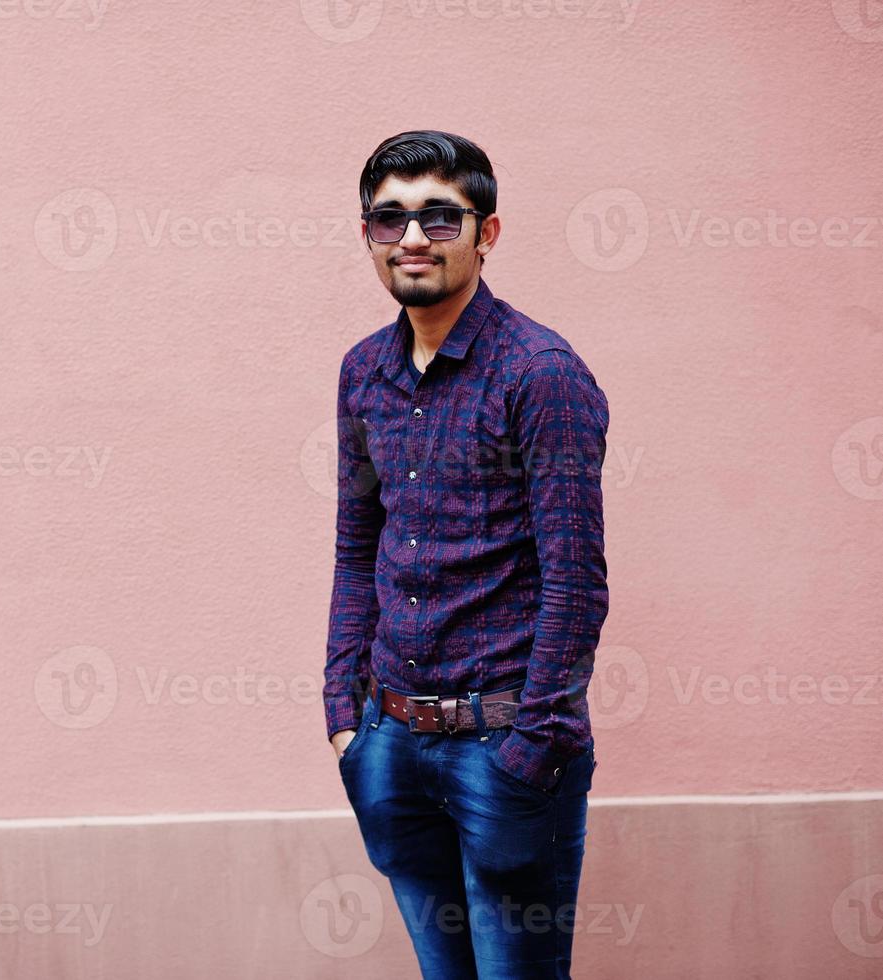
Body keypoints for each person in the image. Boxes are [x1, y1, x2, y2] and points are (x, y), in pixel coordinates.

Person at [325, 129, 611, 979]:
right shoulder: (362, 371)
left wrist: (536, 743)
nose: (411, 238)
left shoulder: (540, 372)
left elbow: (575, 580)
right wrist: (345, 714)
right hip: (389, 741)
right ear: (368, 236)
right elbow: (355, 546)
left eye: (438, 217)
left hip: (504, 750)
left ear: (485, 233)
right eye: (389, 219)